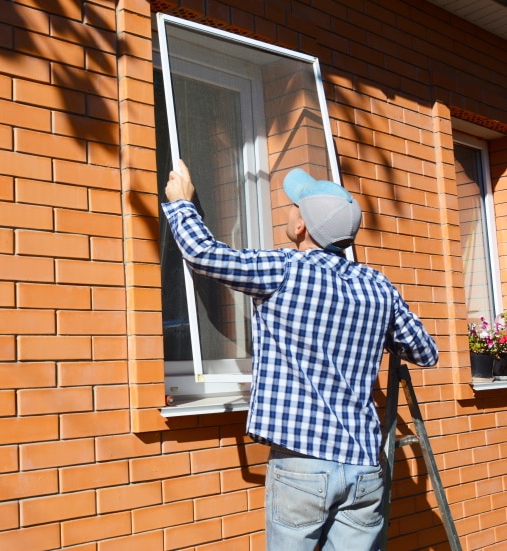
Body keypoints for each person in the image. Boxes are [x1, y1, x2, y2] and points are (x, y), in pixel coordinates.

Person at [162, 160, 438, 551]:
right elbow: (425, 352)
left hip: (302, 467)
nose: (288, 211)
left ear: (302, 227)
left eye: (293, 207)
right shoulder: (378, 285)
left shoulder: (285, 269)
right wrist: (373, 330)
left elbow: (205, 256)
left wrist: (181, 203)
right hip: (364, 469)